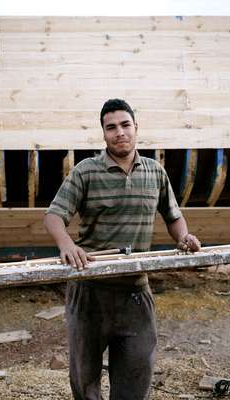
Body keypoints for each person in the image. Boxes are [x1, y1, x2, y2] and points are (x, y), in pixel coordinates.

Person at [44, 99, 201, 400]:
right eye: (111, 127)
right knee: (85, 380)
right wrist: (67, 244)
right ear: (103, 134)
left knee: (136, 376)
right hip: (89, 292)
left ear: (136, 128)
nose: (119, 132)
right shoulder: (86, 172)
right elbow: (54, 216)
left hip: (135, 293)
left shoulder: (155, 173)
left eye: (125, 125)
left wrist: (184, 237)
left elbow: (173, 216)